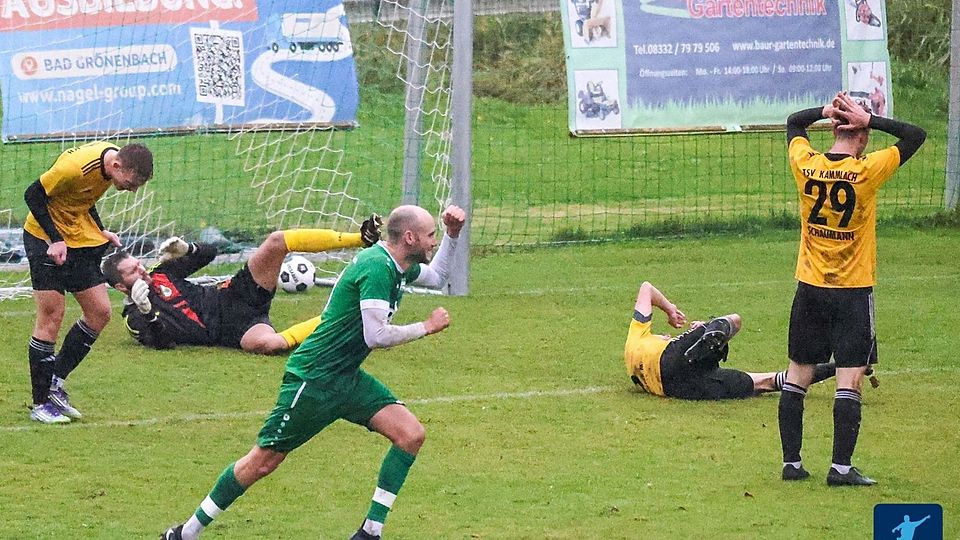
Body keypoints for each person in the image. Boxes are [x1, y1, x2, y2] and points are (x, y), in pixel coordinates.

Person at [159, 204, 466, 540]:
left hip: (345, 378)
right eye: (431, 235)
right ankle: (184, 534)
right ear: (409, 237)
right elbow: (375, 336)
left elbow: (437, 278)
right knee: (262, 462)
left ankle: (370, 532)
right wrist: (426, 326)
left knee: (410, 435)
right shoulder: (377, 267)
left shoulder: (397, 265)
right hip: (313, 379)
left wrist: (452, 235)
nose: (433, 241)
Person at [778, 92, 926, 486]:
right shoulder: (867, 171)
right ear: (861, 137)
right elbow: (916, 135)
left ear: (833, 129)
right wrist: (871, 117)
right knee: (850, 379)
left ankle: (791, 463)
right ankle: (840, 468)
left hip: (809, 287)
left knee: (797, 375)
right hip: (852, 292)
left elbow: (794, 122)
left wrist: (824, 112)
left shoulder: (806, 165)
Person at [101, 215, 382, 354]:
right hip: (230, 331)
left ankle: (360, 238)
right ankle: (348, 316)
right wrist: (147, 310)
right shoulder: (135, 318)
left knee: (276, 241)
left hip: (233, 295)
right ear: (121, 287)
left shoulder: (160, 272)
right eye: (132, 272)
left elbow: (210, 255)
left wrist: (188, 249)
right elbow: (162, 343)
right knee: (270, 345)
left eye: (137, 264)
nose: (141, 270)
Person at [23, 140, 154, 424]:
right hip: (44, 238)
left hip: (78, 236)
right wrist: (56, 240)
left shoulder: (109, 164)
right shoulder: (74, 168)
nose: (131, 190)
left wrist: (101, 229)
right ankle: (40, 403)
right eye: (131, 183)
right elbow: (33, 195)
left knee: (99, 312)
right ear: (117, 165)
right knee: (51, 315)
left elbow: (84, 197)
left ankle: (54, 380)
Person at [624, 281, 835, 400]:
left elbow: (646, 288)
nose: (666, 336)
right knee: (735, 320)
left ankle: (710, 337)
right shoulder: (638, 337)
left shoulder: (636, 343)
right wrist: (669, 309)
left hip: (677, 387)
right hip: (673, 361)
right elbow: (646, 288)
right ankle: (711, 333)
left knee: (767, 382)